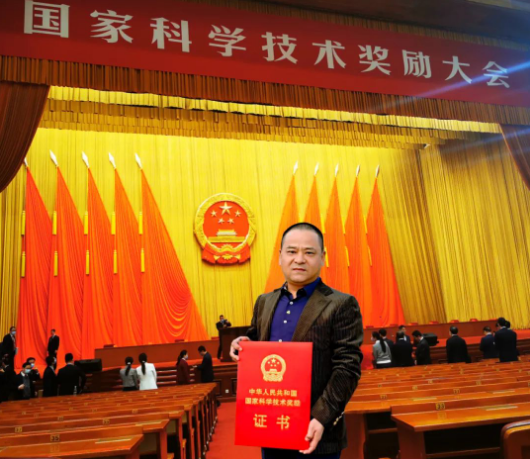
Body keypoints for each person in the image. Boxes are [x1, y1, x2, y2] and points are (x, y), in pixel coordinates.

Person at [230, 222, 363, 458]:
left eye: (309, 252)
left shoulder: (341, 304)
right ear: (280, 256)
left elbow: (347, 367)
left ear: (322, 257)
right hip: (270, 428)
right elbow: (256, 340)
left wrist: (321, 418)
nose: (299, 259)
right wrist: (242, 342)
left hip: (316, 433)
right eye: (291, 251)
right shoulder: (264, 302)